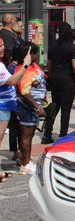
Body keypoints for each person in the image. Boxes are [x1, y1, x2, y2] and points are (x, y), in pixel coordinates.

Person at [42, 22, 75, 144]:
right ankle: (63, 135)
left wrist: (52, 76)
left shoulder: (53, 46)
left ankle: (47, 134)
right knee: (66, 109)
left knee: (54, 106)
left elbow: (49, 65)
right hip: (67, 79)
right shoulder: (71, 47)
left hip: (55, 78)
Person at [15, 42, 47, 174]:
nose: (36, 56)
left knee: (31, 133)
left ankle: (27, 159)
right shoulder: (25, 68)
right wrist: (37, 106)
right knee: (26, 134)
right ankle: (25, 163)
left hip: (35, 105)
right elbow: (24, 91)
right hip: (27, 105)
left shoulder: (34, 66)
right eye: (34, 53)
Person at [0, 40, 31, 170]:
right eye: (0, 45)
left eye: (3, 44)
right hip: (2, 106)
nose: (3, 48)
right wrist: (25, 65)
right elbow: (12, 80)